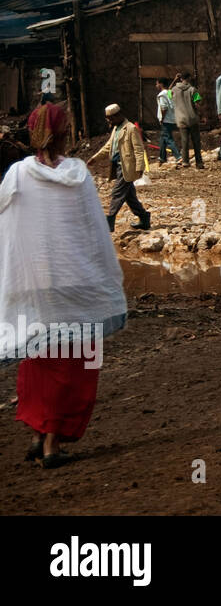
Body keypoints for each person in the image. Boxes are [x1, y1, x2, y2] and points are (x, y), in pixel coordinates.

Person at [1, 103, 128, 468]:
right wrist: (103, 277)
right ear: (62, 134)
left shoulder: (17, 175)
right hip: (75, 286)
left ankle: (38, 434)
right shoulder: (79, 174)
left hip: (36, 286)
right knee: (73, 365)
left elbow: (7, 224)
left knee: (38, 360)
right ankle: (52, 445)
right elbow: (92, 232)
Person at [88, 104, 150, 232]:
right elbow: (108, 147)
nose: (109, 121)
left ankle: (109, 220)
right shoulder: (116, 129)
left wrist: (140, 167)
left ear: (118, 115)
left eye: (111, 119)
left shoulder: (131, 129)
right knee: (129, 196)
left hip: (127, 167)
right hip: (117, 167)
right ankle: (144, 217)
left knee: (117, 193)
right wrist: (95, 158)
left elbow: (139, 150)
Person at [170, 71, 203, 169]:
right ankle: (199, 162)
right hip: (192, 119)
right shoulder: (193, 90)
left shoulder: (174, 90)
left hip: (181, 120)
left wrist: (174, 80)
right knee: (196, 141)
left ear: (180, 79)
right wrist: (201, 115)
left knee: (184, 142)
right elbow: (198, 103)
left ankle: (185, 161)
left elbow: (168, 92)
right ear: (189, 79)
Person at [155, 79, 180, 164]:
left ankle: (178, 156)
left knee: (168, 138)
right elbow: (169, 90)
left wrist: (162, 118)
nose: (156, 86)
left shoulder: (161, 95)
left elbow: (164, 108)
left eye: (157, 84)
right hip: (172, 119)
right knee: (163, 138)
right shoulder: (169, 93)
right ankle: (162, 157)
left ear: (161, 84)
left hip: (166, 119)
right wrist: (175, 80)